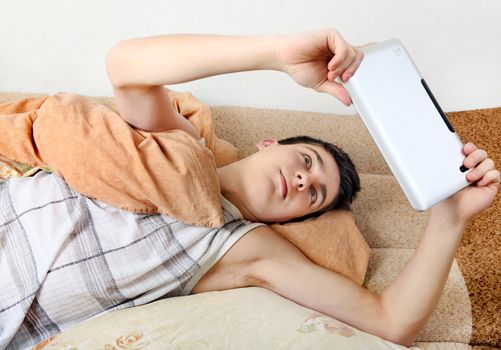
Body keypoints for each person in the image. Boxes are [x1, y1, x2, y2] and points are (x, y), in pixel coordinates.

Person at [0, 28, 499, 349]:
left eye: (314, 195)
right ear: (268, 144)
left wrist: (449, 218)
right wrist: (277, 56)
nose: (304, 180)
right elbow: (126, 66)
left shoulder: (246, 248)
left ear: (287, 222)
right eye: (306, 162)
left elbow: (390, 322)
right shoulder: (181, 143)